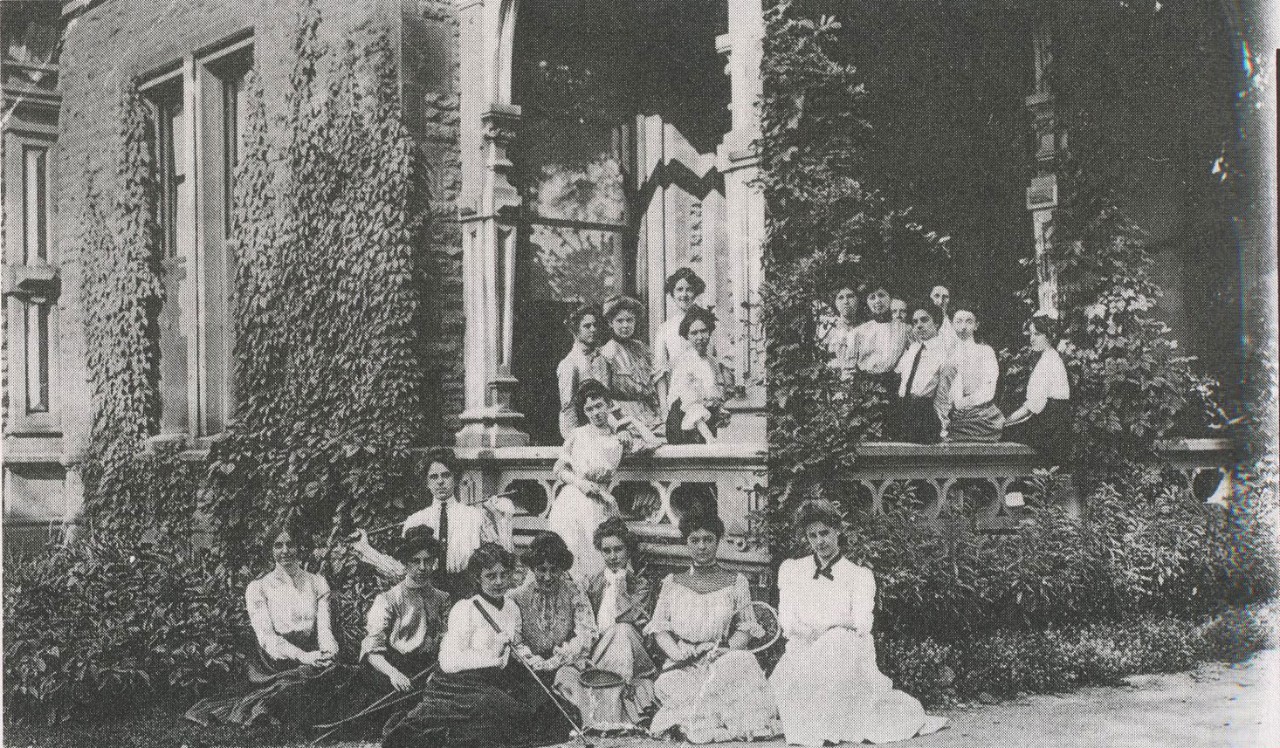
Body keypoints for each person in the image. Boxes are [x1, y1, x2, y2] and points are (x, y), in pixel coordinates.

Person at [771, 500, 948, 746]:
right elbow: (787, 620)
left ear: (838, 531)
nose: (820, 541)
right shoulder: (793, 570)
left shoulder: (858, 575)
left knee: (837, 640)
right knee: (817, 650)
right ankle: (814, 728)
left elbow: (861, 623)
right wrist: (818, 631)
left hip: (846, 653)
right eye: (812, 536)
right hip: (805, 649)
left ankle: (828, 729)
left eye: (825, 533)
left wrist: (828, 630)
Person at [382, 543, 573, 748]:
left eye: (504, 575)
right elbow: (448, 661)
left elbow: (516, 643)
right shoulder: (465, 609)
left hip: (497, 679)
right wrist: (495, 657)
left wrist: (527, 657)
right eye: (491, 576)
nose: (499, 582)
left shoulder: (511, 607)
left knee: (543, 701)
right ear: (477, 578)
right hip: (458, 684)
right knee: (496, 711)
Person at [185, 523, 346, 728]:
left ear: (300, 547)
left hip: (312, 653)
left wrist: (328, 651)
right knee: (298, 684)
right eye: (278, 545)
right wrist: (304, 656)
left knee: (337, 674)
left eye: (291, 544)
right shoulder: (258, 588)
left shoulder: (317, 583)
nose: (286, 551)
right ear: (270, 550)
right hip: (274, 662)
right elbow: (268, 639)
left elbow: (324, 628)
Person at [645, 512, 781, 743]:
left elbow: (745, 626)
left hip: (718, 659)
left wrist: (728, 649)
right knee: (675, 688)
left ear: (718, 541)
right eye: (695, 540)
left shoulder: (736, 581)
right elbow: (659, 628)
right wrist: (678, 653)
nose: (702, 546)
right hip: (683, 664)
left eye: (708, 539)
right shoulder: (673, 583)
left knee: (742, 662)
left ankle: (730, 724)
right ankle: (705, 723)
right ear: (686, 542)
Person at [353, 447, 512, 600]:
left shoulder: (476, 517)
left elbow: (499, 561)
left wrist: (502, 520)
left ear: (455, 479)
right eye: (434, 477)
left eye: (446, 475)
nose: (440, 482)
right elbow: (403, 571)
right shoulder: (415, 520)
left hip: (467, 596)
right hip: (425, 598)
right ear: (427, 483)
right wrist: (366, 550)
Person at [509, 533, 605, 727]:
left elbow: (585, 636)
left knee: (568, 692)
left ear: (562, 568)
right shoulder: (516, 596)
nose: (547, 577)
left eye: (554, 570)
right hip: (529, 669)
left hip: (564, 664)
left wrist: (556, 660)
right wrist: (530, 659)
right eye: (541, 570)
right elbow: (515, 640)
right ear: (532, 568)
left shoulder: (574, 592)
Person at [575, 518, 658, 731]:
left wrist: (621, 583)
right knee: (616, 634)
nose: (612, 557)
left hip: (634, 651)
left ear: (628, 551)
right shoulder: (592, 583)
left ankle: (619, 717)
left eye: (618, 550)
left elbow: (626, 618)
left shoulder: (640, 585)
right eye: (607, 551)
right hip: (599, 651)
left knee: (622, 631)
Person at [549, 379, 634, 586]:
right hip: (573, 500)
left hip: (600, 502)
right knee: (573, 556)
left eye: (599, 406)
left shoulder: (619, 437)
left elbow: (651, 441)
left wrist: (622, 425)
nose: (595, 413)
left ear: (608, 404)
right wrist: (581, 484)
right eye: (589, 409)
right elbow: (560, 469)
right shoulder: (579, 434)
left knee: (599, 559)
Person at [1003, 312, 1072, 464]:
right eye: (1031, 333)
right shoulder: (1050, 357)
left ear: (1049, 336)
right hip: (1053, 423)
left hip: (1050, 427)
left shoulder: (1049, 362)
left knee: (1001, 433)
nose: (1032, 338)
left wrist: (1005, 422)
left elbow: (1032, 407)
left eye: (1038, 334)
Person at [597, 295, 664, 439]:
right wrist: (620, 426)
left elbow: (653, 386)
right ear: (610, 323)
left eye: (629, 320)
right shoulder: (606, 353)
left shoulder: (642, 349)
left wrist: (661, 412)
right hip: (624, 419)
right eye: (620, 321)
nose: (625, 325)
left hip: (650, 416)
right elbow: (603, 397)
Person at [666, 306, 732, 445]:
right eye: (694, 333)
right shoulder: (684, 362)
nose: (700, 337)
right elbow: (690, 404)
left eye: (704, 331)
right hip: (684, 424)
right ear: (687, 336)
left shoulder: (712, 361)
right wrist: (709, 437)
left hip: (706, 422)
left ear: (710, 332)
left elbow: (714, 394)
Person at [942, 304, 1005, 442]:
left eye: (969, 321)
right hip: (952, 414)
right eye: (958, 321)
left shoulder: (985, 351)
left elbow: (988, 390)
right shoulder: (947, 353)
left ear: (976, 325)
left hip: (981, 415)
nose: (963, 327)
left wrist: (963, 403)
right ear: (952, 325)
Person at [889, 302, 950, 443]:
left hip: (923, 415)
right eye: (915, 322)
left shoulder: (944, 354)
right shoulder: (912, 350)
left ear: (936, 324)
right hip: (902, 410)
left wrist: (943, 430)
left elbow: (943, 397)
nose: (919, 325)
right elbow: (898, 374)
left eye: (924, 320)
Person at [655, 267, 708, 411]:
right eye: (679, 289)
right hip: (677, 399)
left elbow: (716, 362)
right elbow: (660, 373)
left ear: (696, 292)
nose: (684, 295)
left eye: (689, 289)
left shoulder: (707, 324)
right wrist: (665, 409)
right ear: (672, 293)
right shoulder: (665, 329)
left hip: (705, 398)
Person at [558, 303, 608, 441]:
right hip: (585, 435)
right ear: (575, 330)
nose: (593, 329)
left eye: (595, 325)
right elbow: (568, 407)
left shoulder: (602, 358)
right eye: (587, 326)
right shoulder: (570, 364)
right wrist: (576, 439)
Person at [847, 280, 910, 382]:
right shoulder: (858, 332)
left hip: (894, 383)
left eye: (881, 295)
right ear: (867, 302)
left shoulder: (904, 329)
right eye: (872, 297)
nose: (877, 301)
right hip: (865, 384)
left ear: (890, 298)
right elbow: (849, 368)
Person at [823, 283, 861, 378]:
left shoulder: (866, 329)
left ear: (858, 300)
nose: (846, 301)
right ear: (835, 303)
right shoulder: (827, 330)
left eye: (850, 297)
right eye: (840, 298)